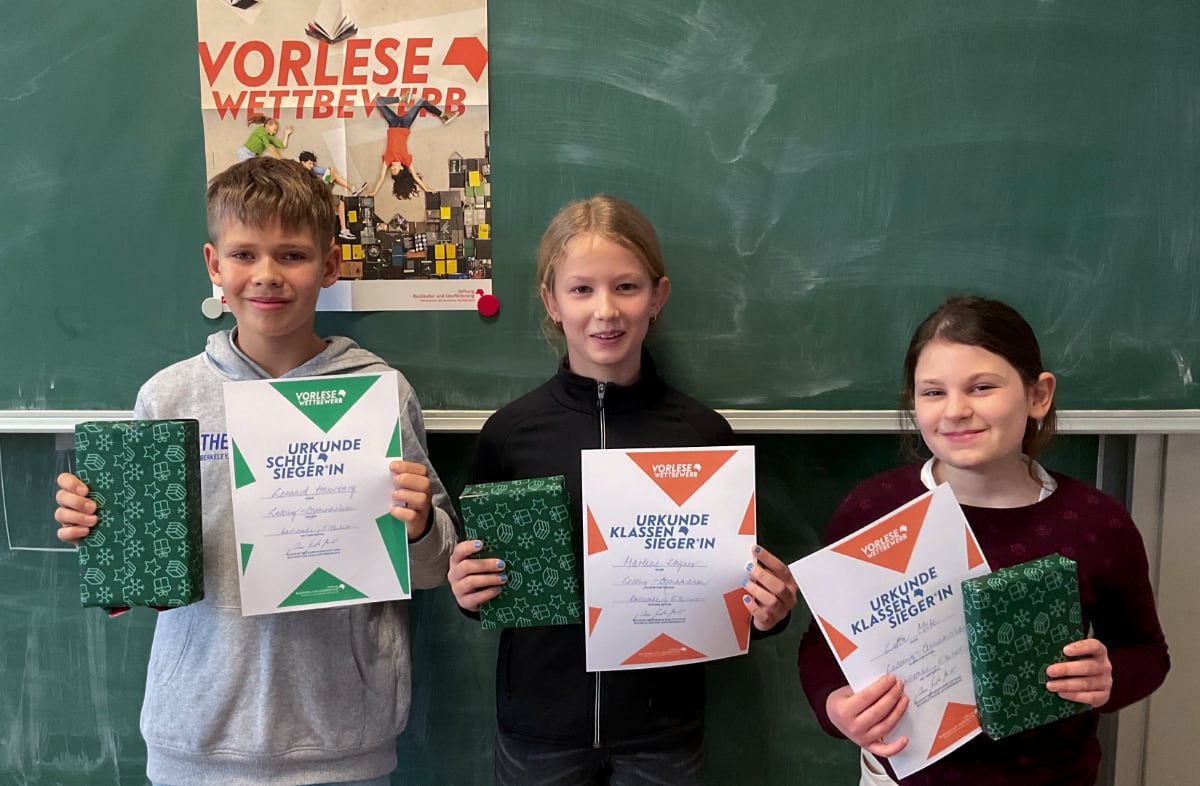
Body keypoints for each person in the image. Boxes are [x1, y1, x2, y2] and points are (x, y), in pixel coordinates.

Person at [52, 156, 458, 786]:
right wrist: (100, 533)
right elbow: (138, 586)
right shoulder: (170, 398)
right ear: (214, 265)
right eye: (244, 254)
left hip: (341, 740)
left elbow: (437, 570)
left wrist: (420, 526)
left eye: (292, 255)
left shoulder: (379, 393)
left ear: (329, 266)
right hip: (197, 736)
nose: (267, 274)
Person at [447, 195, 799, 785]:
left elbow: (737, 586)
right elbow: (484, 582)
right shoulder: (509, 435)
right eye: (581, 289)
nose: (605, 310)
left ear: (658, 297)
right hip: (540, 728)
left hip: (662, 732)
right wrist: (468, 588)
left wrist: (771, 611)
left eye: (627, 287)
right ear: (551, 301)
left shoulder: (703, 435)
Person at [796, 295, 1170, 786]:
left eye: (982, 387)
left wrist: (1109, 676)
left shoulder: (1095, 521)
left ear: (1038, 396)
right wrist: (834, 705)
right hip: (903, 776)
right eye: (933, 392)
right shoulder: (872, 510)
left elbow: (1147, 651)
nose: (956, 410)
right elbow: (822, 643)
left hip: (1052, 775)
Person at [368, 90, 457, 200]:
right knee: (422, 101)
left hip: (393, 124)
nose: (392, 168)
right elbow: (415, 177)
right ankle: (443, 116)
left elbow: (381, 178)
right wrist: (426, 188)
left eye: (392, 170)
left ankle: (401, 98)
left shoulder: (387, 159)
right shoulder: (406, 159)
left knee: (378, 101)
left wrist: (374, 191)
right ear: (401, 168)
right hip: (405, 125)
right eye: (395, 169)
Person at [298, 150, 367, 242]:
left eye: (312, 164)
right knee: (333, 178)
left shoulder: (310, 169)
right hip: (318, 195)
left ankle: (344, 230)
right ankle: (352, 189)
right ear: (302, 163)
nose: (311, 166)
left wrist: (328, 175)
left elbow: (324, 171)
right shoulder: (301, 175)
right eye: (310, 163)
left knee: (332, 172)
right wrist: (329, 180)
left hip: (320, 190)